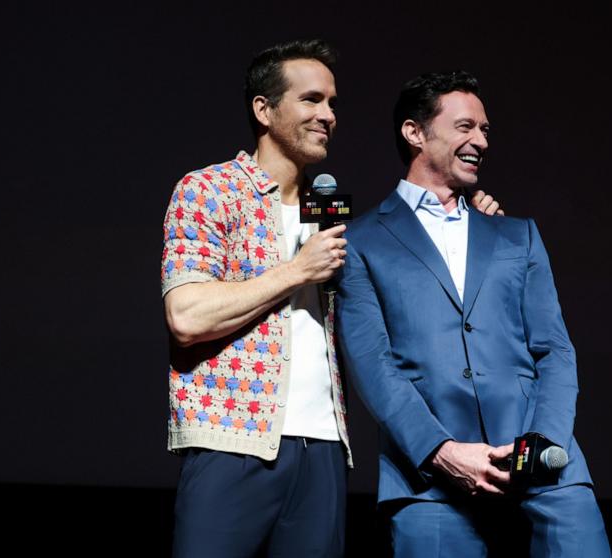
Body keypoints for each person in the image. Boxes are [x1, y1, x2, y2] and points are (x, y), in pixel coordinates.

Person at [159, 41, 502, 558]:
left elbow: (405, 305)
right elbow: (186, 316)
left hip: (322, 447)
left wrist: (474, 232)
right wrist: (297, 271)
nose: (328, 115)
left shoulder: (332, 210)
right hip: (233, 439)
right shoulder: (208, 191)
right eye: (312, 100)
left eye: (333, 103)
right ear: (264, 109)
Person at [335, 70, 611, 556]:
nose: (480, 141)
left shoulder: (516, 234)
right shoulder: (359, 243)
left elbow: (554, 349)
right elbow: (373, 364)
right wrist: (441, 453)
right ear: (414, 132)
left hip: (546, 472)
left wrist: (539, 446)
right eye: (466, 127)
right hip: (429, 477)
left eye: (485, 131)